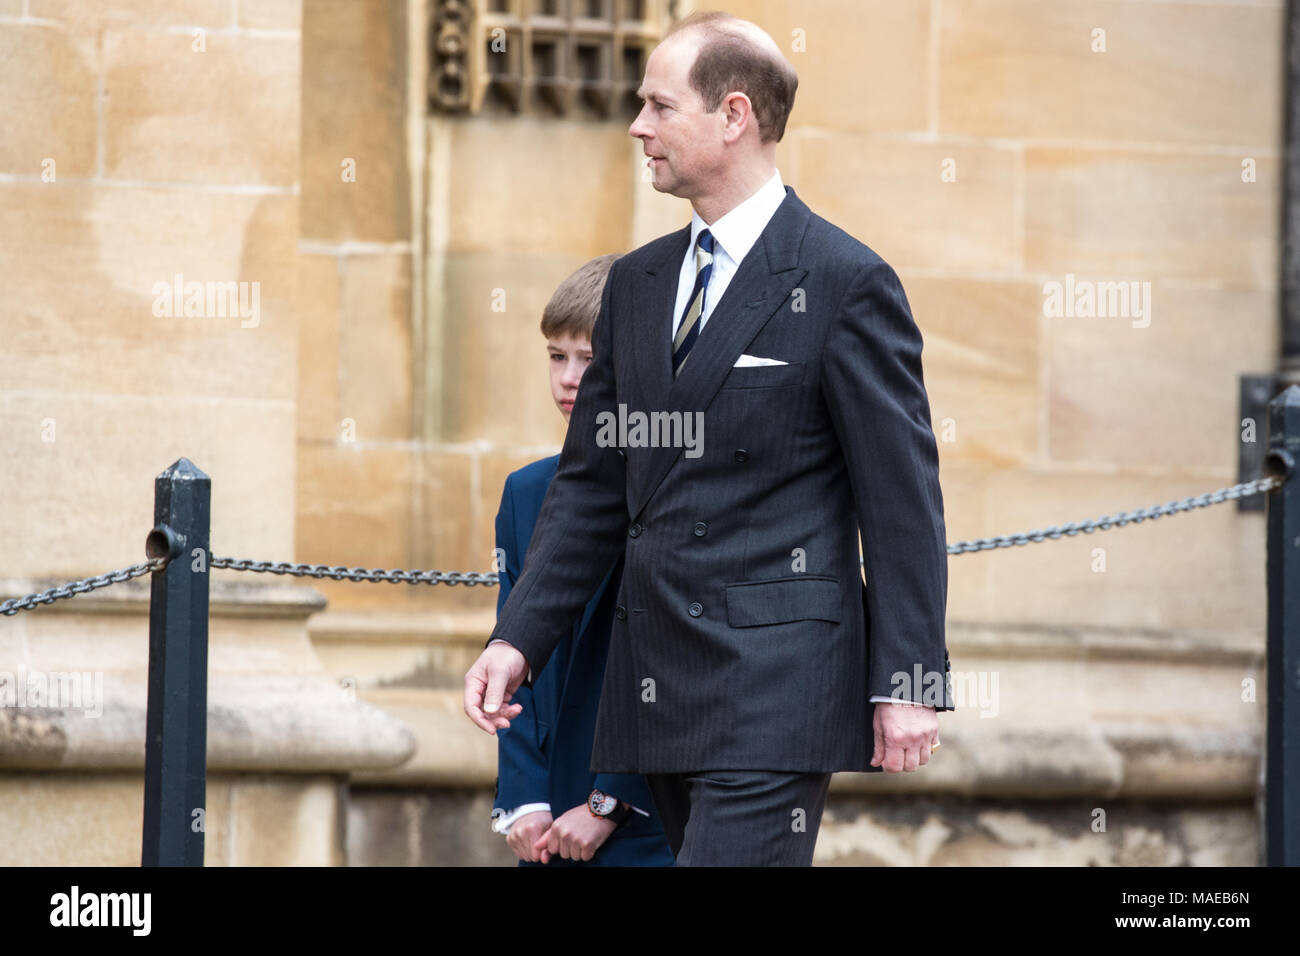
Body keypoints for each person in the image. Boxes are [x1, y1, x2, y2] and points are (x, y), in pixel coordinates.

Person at [467, 10, 954, 866]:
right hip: (658, 685)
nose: (638, 126)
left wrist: (908, 681)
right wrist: (518, 639)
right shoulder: (638, 285)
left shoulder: (845, 280)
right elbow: (592, 485)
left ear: (734, 117)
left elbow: (902, 497)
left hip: (778, 688)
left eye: (659, 106)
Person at [490, 254, 675, 867]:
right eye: (556, 356)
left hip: (652, 813)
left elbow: (675, 661)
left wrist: (610, 803)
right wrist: (521, 798)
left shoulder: (676, 491)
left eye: (590, 360)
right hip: (546, 819)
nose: (570, 379)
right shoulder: (526, 491)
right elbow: (513, 654)